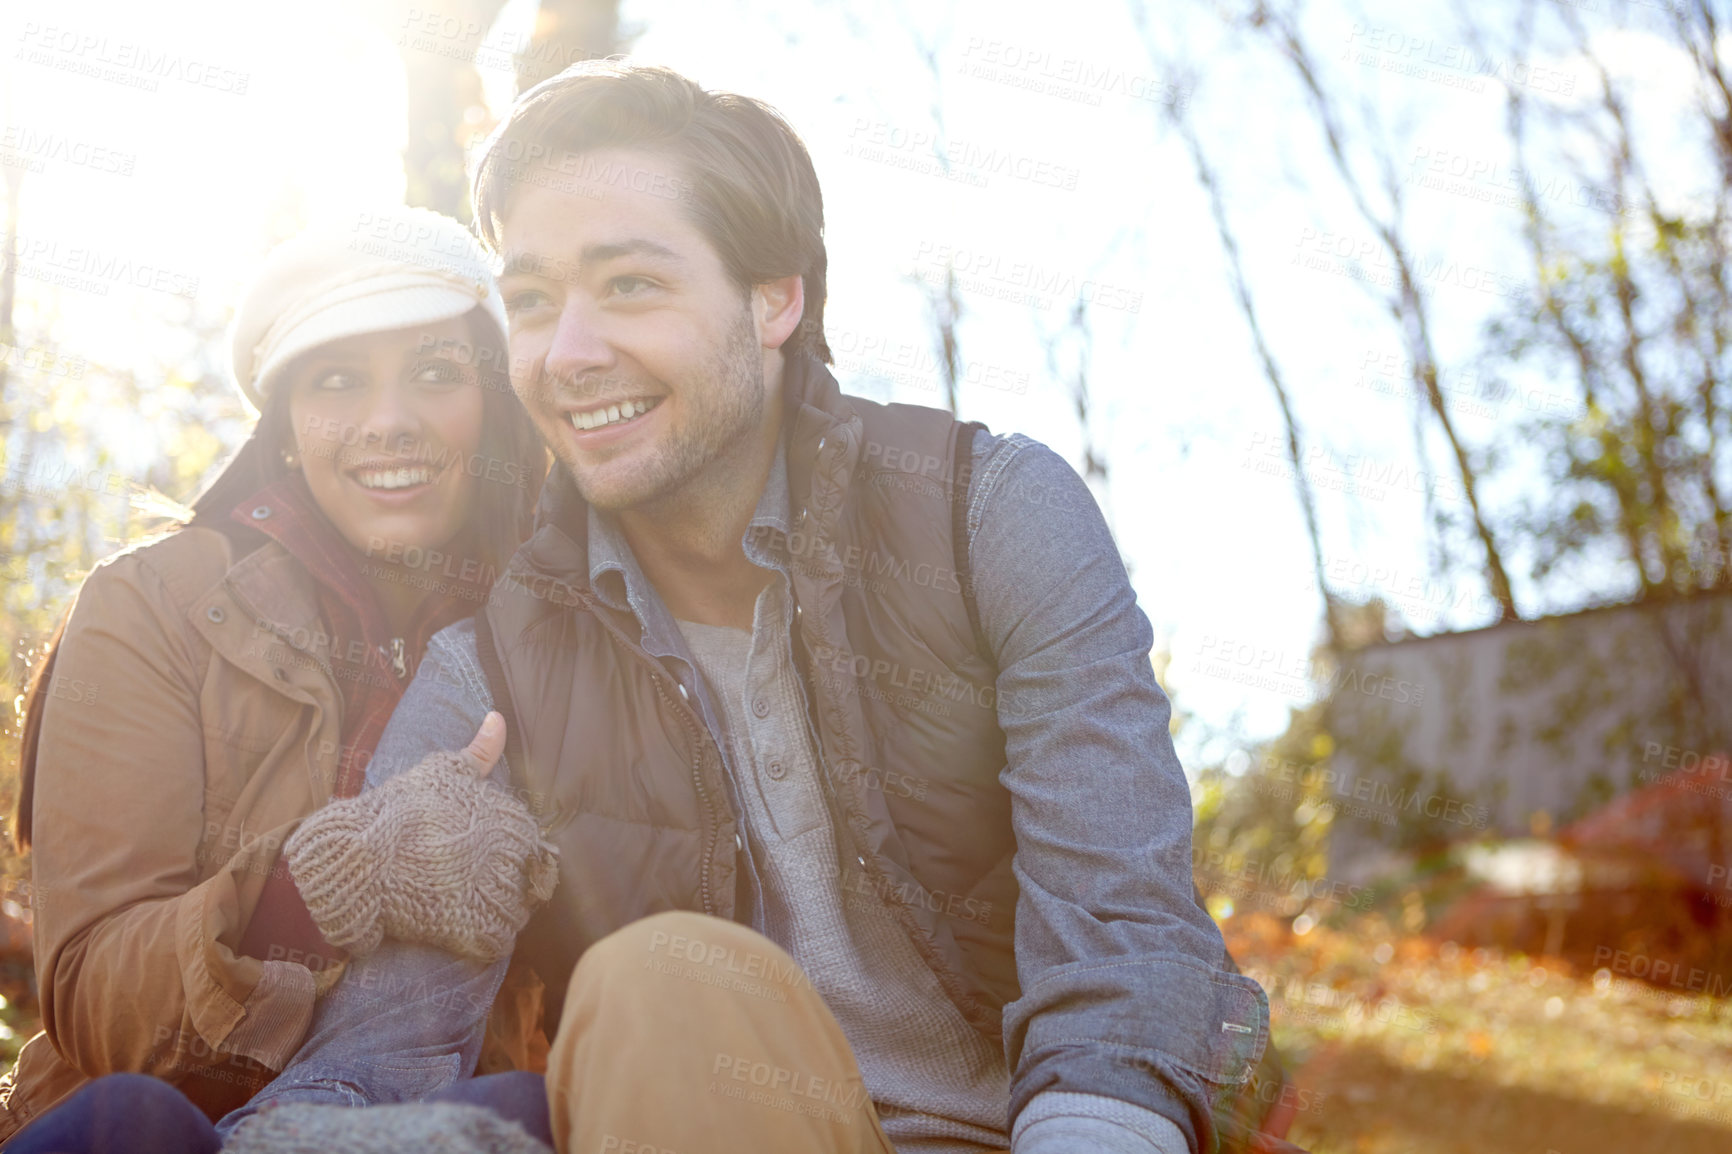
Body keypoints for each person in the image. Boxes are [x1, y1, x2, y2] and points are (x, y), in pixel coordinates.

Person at [232, 60, 1302, 1154]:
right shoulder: (490, 674)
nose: (569, 350)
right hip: (727, 1124)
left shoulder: (986, 520)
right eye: (532, 302)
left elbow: (1122, 937)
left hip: (1048, 1131)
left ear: (775, 295)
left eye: (632, 285)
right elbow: (370, 1070)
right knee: (657, 984)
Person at [0, 206, 551, 1146]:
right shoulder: (154, 606)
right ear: (288, 430)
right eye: (338, 381)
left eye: (435, 373)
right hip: (167, 1120)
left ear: (491, 409)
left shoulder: (556, 635)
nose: (390, 421)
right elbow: (98, 1003)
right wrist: (334, 882)